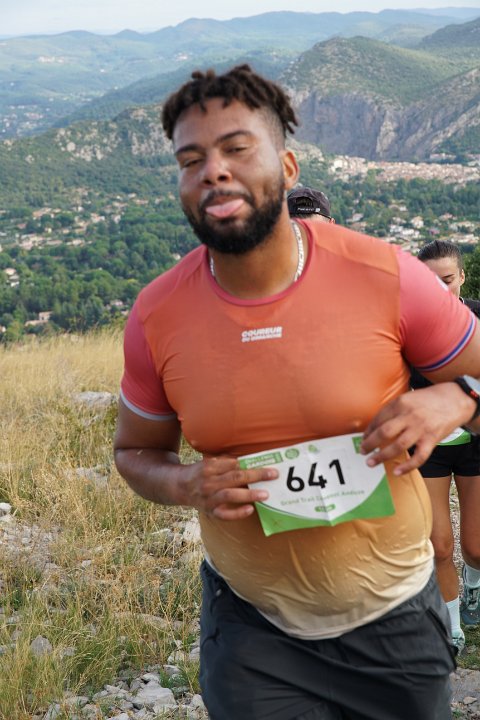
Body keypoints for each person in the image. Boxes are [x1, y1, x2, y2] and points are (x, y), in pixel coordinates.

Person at [114, 64, 480, 720]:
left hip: (396, 621)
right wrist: (183, 482)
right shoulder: (156, 316)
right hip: (253, 633)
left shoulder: (387, 276)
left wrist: (460, 399)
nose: (213, 171)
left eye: (236, 148)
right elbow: (134, 452)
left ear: (286, 168)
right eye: (191, 160)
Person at [411, 240, 480, 655]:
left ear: (463, 277)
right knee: (439, 544)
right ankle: (451, 626)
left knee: (475, 546)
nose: (440, 289)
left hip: (475, 445)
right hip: (429, 448)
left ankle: (473, 583)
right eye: (430, 281)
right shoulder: (407, 327)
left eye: (448, 280)